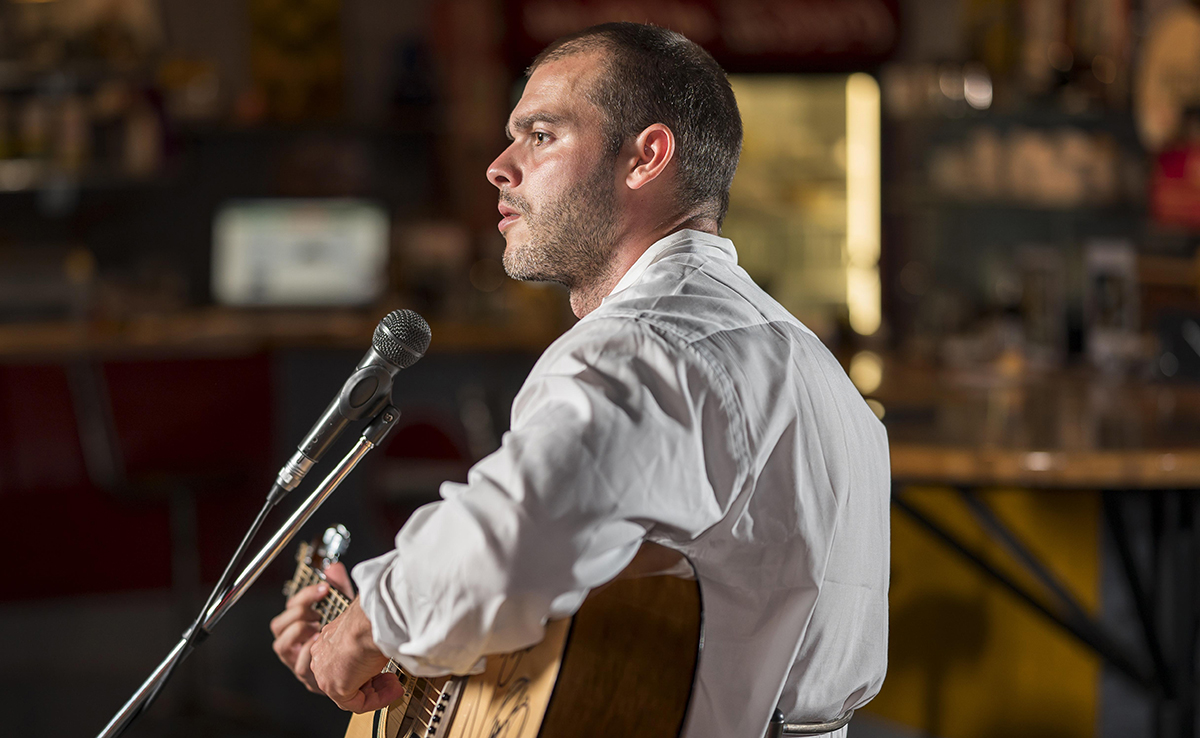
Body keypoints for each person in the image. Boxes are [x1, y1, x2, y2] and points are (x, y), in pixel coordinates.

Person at [270, 22, 890, 738]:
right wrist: (396, 619)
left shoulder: (645, 345)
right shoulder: (803, 357)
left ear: (646, 157)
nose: (500, 167)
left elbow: (510, 541)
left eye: (541, 134)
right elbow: (590, 576)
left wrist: (365, 628)